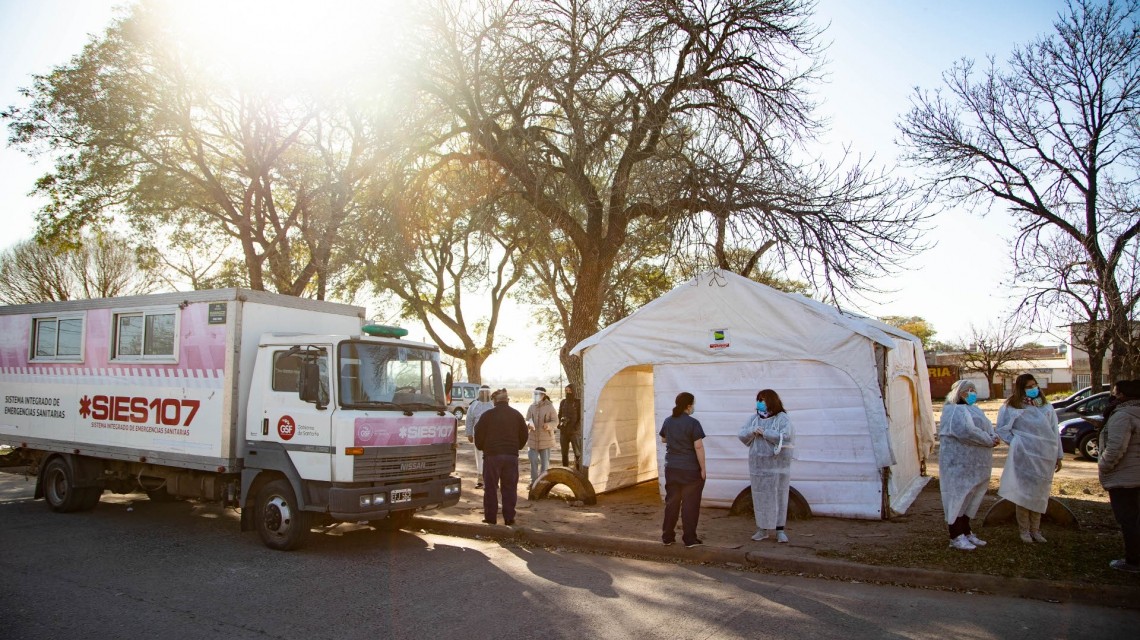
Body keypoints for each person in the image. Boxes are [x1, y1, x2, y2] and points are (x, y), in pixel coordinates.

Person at [996, 373, 1062, 544]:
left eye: (1035, 385)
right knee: (1023, 494)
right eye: (1028, 386)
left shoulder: (1046, 406)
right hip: (1023, 457)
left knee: (1040, 493)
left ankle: (1036, 530)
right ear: (1020, 388)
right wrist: (1017, 443)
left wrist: (1058, 455)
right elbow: (1002, 429)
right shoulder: (1012, 406)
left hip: (1044, 456)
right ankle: (1024, 531)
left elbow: (1055, 432)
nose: (1033, 389)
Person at [938, 380, 999, 551]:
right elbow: (966, 431)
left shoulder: (973, 409)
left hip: (976, 464)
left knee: (970, 498)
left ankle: (966, 532)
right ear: (958, 392)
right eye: (967, 390)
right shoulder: (954, 410)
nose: (972, 393)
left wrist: (993, 436)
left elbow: (986, 427)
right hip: (958, 464)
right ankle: (955, 536)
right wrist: (988, 440)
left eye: (973, 389)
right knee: (958, 497)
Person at [737, 389, 794, 543]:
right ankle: (762, 529)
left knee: (779, 494)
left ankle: (780, 530)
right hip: (758, 466)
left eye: (762, 399)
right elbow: (741, 434)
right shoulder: (754, 419)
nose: (759, 403)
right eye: (758, 399)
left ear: (771, 401)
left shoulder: (782, 418)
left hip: (777, 466)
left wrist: (766, 433)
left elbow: (786, 437)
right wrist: (752, 431)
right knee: (760, 496)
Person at [1098, 379, 1140, 573]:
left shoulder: (1122, 415)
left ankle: (1133, 561)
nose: (1112, 395)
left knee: (1129, 520)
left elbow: (1115, 448)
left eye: (1115, 391)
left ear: (1122, 395)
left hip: (1125, 479)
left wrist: (1104, 465)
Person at [473, 388, 529, 526]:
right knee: (509, 487)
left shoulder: (487, 415)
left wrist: (482, 448)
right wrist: (516, 447)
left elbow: (478, 434)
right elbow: (524, 434)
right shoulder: (516, 415)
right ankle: (509, 518)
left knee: (491, 488)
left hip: (492, 456)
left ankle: (491, 518)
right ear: (507, 400)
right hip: (511, 455)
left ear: (494, 401)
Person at [660, 391, 707, 548]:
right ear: (689, 406)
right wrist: (703, 469)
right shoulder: (693, 423)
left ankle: (667, 536)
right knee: (690, 504)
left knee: (672, 502)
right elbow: (698, 446)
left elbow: (663, 439)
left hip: (672, 467)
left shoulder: (668, 421)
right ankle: (689, 539)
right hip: (690, 469)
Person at [525, 386, 558, 486]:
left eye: (538, 394)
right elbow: (527, 419)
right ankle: (533, 482)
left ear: (543, 395)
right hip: (532, 439)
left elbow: (556, 421)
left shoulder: (550, 407)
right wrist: (528, 424)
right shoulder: (531, 406)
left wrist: (549, 426)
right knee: (533, 460)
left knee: (544, 463)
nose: (536, 396)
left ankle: (543, 482)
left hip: (546, 439)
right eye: (534, 394)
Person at [465, 384, 494, 489]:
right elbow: (469, 420)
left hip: (492, 436)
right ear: (479, 393)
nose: (485, 394)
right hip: (478, 436)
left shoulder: (493, 405)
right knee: (479, 458)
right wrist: (469, 433)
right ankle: (480, 480)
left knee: (492, 458)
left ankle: (493, 480)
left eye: (487, 392)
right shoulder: (474, 405)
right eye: (483, 392)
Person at [558, 384, 583, 468]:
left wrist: (576, 427)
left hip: (574, 432)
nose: (568, 392)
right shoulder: (563, 402)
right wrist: (560, 424)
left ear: (573, 391)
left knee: (577, 453)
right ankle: (565, 470)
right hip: (564, 432)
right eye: (566, 391)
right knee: (564, 453)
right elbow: (559, 414)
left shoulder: (578, 402)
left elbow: (581, 417)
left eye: (570, 390)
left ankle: (579, 470)